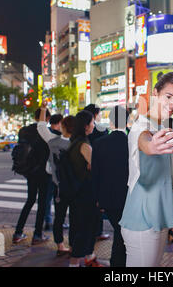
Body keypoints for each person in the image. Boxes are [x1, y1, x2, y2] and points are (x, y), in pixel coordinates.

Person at [119, 72, 173, 267]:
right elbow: (144, 140)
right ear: (155, 93)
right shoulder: (142, 125)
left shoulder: (161, 126)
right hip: (142, 217)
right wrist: (151, 146)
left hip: (158, 213)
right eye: (168, 97)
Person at [92, 105, 129, 267]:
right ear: (127, 121)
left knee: (120, 233)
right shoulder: (132, 142)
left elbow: (95, 174)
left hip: (107, 198)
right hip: (128, 197)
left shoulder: (99, 143)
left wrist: (97, 199)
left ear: (111, 121)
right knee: (123, 234)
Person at [67, 110, 103, 267]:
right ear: (86, 126)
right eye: (92, 122)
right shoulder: (85, 145)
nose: (94, 125)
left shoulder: (74, 142)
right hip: (86, 192)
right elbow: (96, 168)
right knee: (86, 227)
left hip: (76, 192)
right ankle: (75, 262)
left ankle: (89, 256)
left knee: (80, 225)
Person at [36, 105, 72, 255]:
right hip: (74, 185)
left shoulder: (53, 140)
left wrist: (44, 110)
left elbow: (41, 127)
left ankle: (60, 245)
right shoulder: (79, 142)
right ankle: (74, 245)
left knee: (59, 215)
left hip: (57, 183)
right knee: (75, 216)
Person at [12, 108, 52, 245]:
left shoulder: (24, 130)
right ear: (46, 119)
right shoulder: (46, 133)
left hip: (29, 171)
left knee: (30, 200)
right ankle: (37, 235)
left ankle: (18, 232)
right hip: (44, 172)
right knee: (42, 203)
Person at [84, 103, 110, 241]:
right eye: (99, 113)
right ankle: (97, 231)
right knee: (97, 202)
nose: (100, 116)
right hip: (98, 168)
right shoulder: (101, 129)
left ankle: (91, 231)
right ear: (94, 115)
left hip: (84, 172)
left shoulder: (82, 132)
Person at [44, 113, 63, 232]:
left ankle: (48, 220)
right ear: (59, 123)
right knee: (57, 197)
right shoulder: (56, 136)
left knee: (48, 198)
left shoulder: (46, 133)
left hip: (48, 170)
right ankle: (55, 221)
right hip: (55, 171)